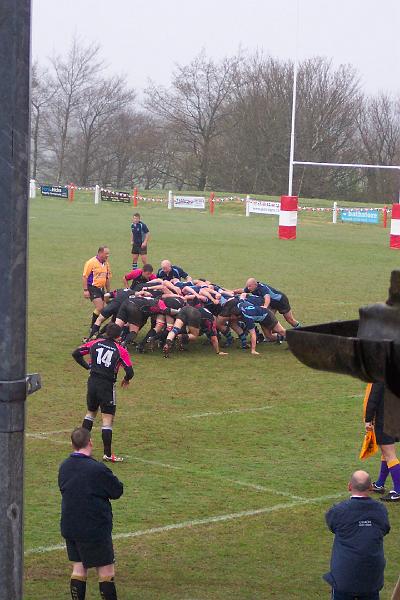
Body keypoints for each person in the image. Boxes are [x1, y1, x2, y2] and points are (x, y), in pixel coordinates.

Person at [58, 427, 123, 600]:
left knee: (78, 569)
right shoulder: (97, 469)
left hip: (70, 526)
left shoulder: (64, 467)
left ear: (72, 444)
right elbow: (117, 491)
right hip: (94, 528)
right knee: (106, 571)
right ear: (91, 443)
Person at [72, 323, 134, 463]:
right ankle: (107, 454)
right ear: (119, 337)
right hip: (107, 386)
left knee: (90, 413)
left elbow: (76, 353)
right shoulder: (120, 350)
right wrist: (126, 379)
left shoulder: (95, 343)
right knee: (107, 420)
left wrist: (87, 366)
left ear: (106, 333)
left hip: (92, 382)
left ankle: (81, 448)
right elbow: (130, 371)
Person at [324, 470, 390, 600]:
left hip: (344, 576)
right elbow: (385, 529)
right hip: (372, 576)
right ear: (371, 487)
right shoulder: (380, 510)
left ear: (349, 486)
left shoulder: (338, 510)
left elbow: (332, 525)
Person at [365, 383, 400, 502]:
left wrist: (368, 419)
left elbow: (373, 398)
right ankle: (380, 484)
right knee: (386, 452)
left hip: (384, 420)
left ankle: (398, 491)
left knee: (390, 454)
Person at [82, 246, 112, 334]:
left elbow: (107, 279)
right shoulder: (91, 262)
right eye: (106, 253)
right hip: (92, 287)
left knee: (101, 310)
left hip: (101, 288)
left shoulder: (106, 264)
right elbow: (85, 277)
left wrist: (108, 292)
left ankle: (94, 327)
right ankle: (93, 327)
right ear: (100, 253)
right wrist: (85, 290)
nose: (108, 255)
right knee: (100, 307)